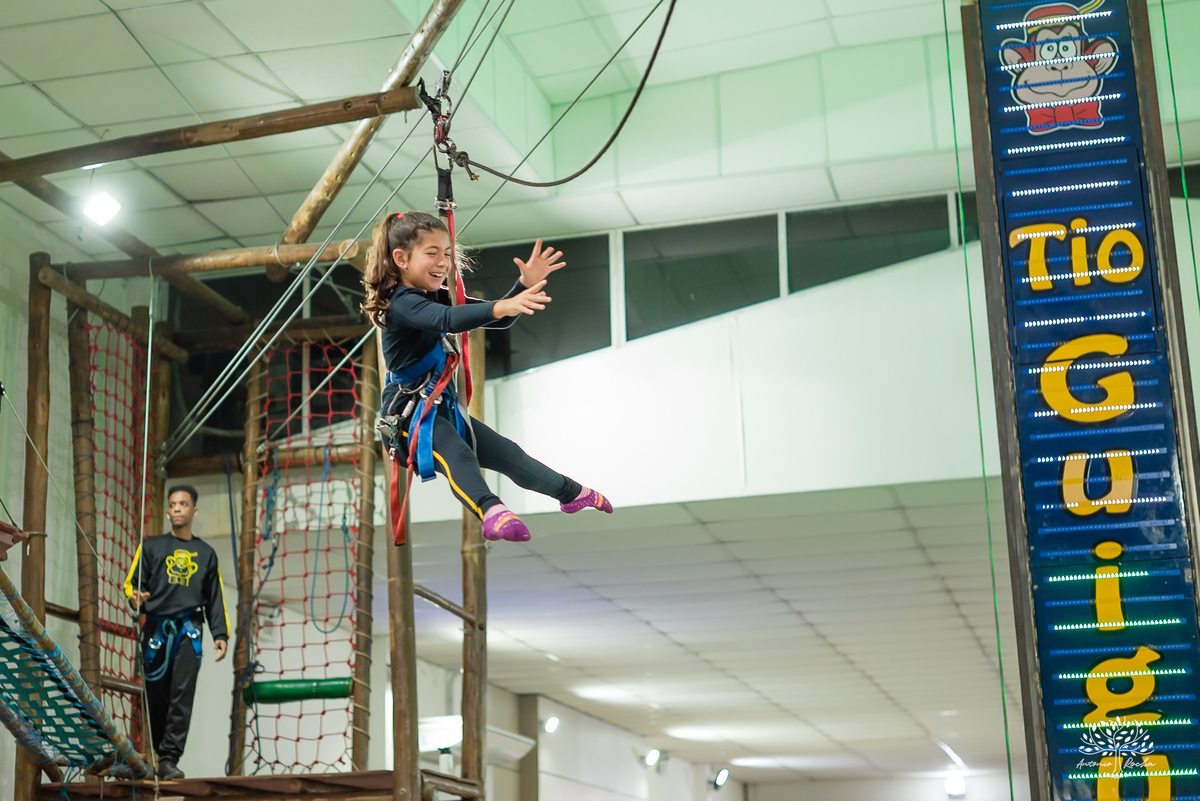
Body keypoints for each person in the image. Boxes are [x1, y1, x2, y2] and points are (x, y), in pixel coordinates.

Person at [362, 211, 613, 542]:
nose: (443, 263)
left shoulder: (433, 295)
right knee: (458, 452)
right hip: (409, 417)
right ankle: (492, 511)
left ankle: (570, 493)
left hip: (439, 407)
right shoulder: (402, 302)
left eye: (448, 254)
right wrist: (502, 306)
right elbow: (448, 319)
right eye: (432, 253)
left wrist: (522, 287)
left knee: (509, 455)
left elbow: (499, 319)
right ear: (401, 259)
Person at [124, 486, 229, 781]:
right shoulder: (152, 546)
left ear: (194, 511)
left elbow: (215, 596)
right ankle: (159, 752)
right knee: (155, 695)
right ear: (168, 511)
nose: (177, 508)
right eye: (172, 504)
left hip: (188, 630)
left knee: (181, 695)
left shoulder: (206, 554)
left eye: (183, 504)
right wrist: (135, 598)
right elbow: (131, 584)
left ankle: (170, 757)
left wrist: (220, 634)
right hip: (156, 629)